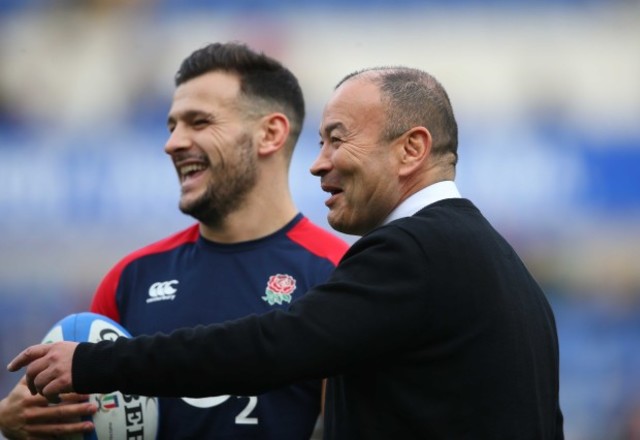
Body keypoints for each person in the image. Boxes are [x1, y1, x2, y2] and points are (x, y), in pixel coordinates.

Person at [8, 66, 565, 439]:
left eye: (337, 138)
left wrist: (93, 364)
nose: (319, 163)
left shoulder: (410, 252)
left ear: (412, 148)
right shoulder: (508, 271)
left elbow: (271, 346)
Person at [0, 42, 349, 440]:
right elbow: (75, 419)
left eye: (198, 122)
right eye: (172, 126)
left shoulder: (338, 274)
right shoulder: (131, 278)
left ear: (270, 133)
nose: (173, 143)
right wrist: (13, 423)